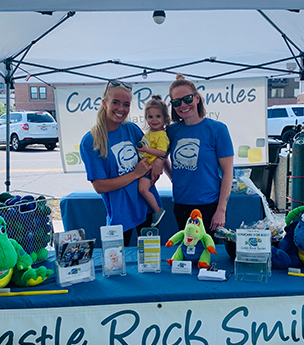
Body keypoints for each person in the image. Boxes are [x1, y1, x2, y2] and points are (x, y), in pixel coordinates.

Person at [79, 81, 159, 246]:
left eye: (126, 104)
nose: (121, 109)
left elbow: (152, 152)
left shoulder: (132, 129)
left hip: (146, 206)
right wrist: (135, 174)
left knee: (149, 262)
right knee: (118, 264)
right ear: (104, 103)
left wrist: (158, 161)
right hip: (121, 213)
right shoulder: (91, 141)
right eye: (115, 102)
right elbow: (100, 186)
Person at [165, 74, 234, 234]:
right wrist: (173, 177)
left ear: (197, 98)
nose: (183, 105)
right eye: (176, 102)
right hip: (181, 204)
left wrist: (221, 210)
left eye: (187, 99)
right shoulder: (172, 131)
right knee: (185, 253)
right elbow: (161, 158)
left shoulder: (217, 129)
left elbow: (228, 172)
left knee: (208, 255)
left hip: (209, 206)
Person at [136, 95, 170, 227]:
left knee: (143, 190)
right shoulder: (150, 132)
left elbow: (162, 152)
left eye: (158, 116)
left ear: (165, 118)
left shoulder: (161, 135)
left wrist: (146, 149)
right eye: (150, 117)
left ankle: (157, 210)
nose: (154, 120)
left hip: (149, 168)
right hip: (144, 165)